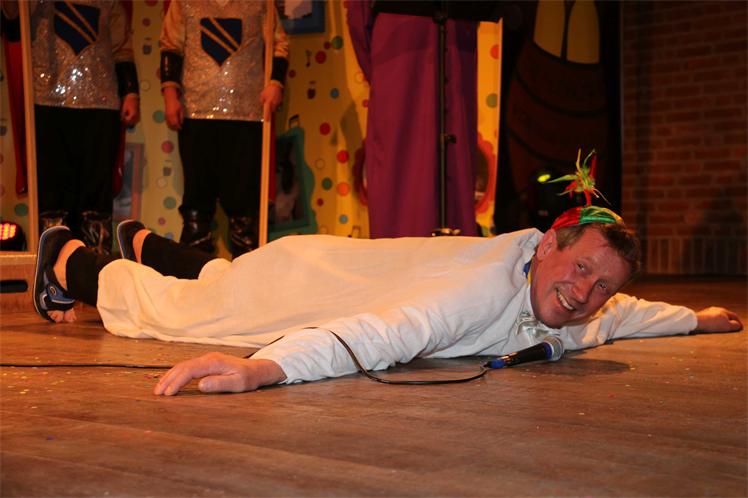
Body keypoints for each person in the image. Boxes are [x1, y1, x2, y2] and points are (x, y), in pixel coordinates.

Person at [32, 206, 743, 396]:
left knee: (221, 278)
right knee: (178, 312)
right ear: (551, 242)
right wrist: (265, 367)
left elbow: (627, 314)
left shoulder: (577, 301)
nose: (584, 294)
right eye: (581, 268)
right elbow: (383, 333)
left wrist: (697, 321)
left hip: (328, 261)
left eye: (600, 285)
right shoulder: (479, 291)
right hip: (303, 284)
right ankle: (69, 256)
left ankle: (144, 238)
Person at [2, 0, 141, 254]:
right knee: (53, 193)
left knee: (95, 195)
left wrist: (130, 92)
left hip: (101, 104)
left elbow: (122, 48)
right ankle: (55, 262)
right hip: (47, 102)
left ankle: (94, 263)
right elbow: (13, 27)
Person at [160, 0, 289, 257]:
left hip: (247, 113)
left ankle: (247, 268)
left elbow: (279, 44)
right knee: (197, 195)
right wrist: (170, 95)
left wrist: (276, 83)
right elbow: (171, 45)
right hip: (196, 111)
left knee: (244, 199)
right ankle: (194, 266)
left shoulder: (260, 3)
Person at [347, 2, 478, 238]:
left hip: (449, 47)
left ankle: (453, 251)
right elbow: (359, 17)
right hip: (401, 53)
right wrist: (384, 78)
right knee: (401, 161)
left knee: (453, 156)